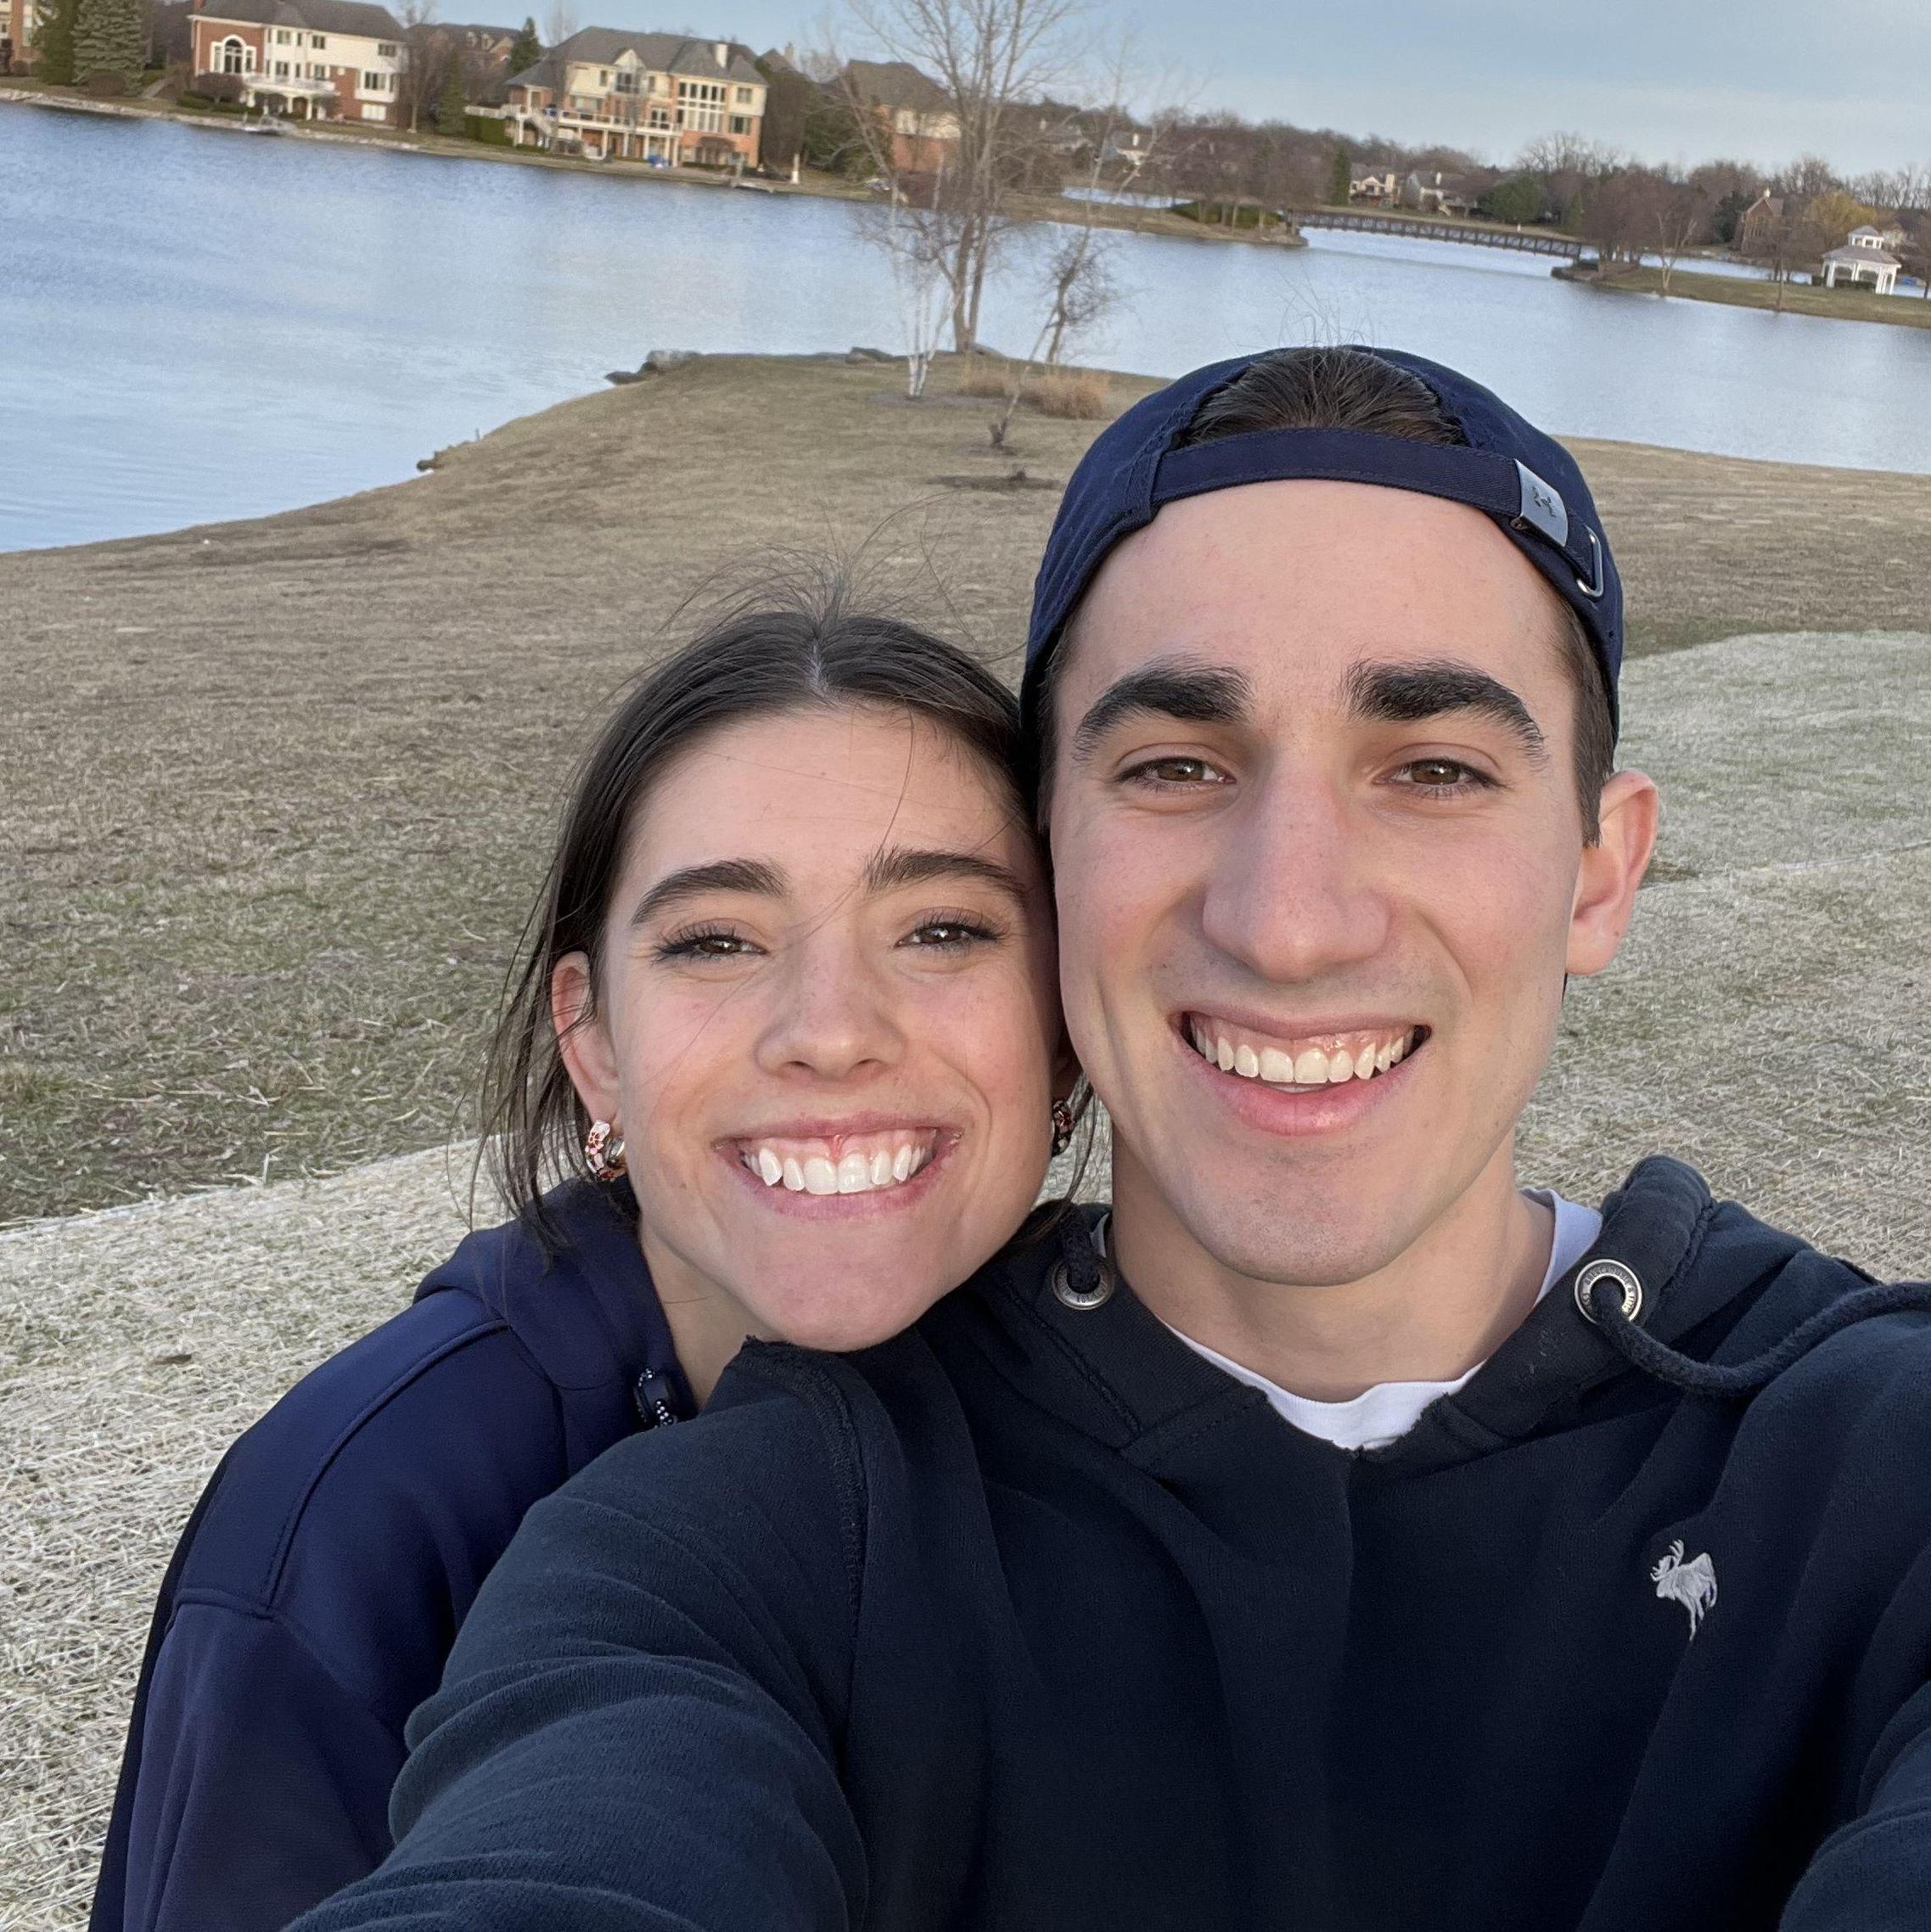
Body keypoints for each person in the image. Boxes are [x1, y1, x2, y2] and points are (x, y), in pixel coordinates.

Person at [291, 346, 1931, 1932]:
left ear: (1598, 870)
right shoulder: (767, 1535)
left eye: (1432, 767)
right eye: (1173, 765)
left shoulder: (1869, 1471)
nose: (1288, 920)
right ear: (1052, 857)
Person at [90, 587, 1074, 1932]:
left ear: (1066, 1021)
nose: (832, 1031)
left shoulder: (1145, 1414)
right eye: (716, 941)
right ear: (595, 1039)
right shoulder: (352, 1523)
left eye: (945, 929)